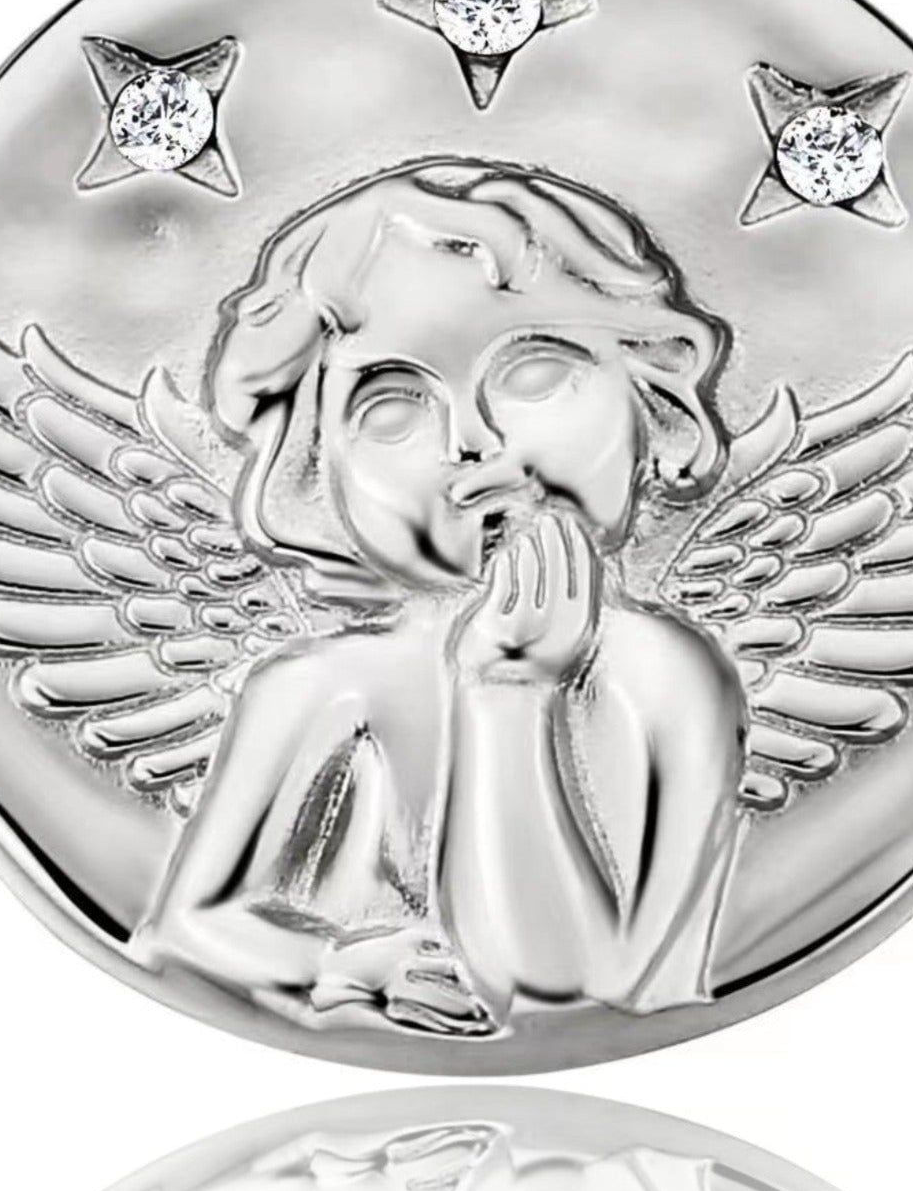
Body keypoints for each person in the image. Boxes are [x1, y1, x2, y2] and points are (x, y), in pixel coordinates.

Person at [143, 161, 748, 1036]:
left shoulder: (663, 676)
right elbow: (185, 928)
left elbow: (560, 997)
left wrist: (508, 689)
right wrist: (337, 963)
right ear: (316, 464)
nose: (472, 440)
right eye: (393, 409)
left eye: (533, 374)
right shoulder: (313, 687)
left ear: (652, 392)